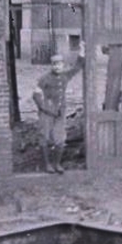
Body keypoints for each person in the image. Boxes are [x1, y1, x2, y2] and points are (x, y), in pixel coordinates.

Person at [32, 42, 85, 173]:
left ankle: (57, 164)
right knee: (44, 136)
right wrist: (44, 108)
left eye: (59, 64)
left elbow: (78, 66)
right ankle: (47, 164)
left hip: (60, 112)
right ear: (52, 65)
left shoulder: (65, 76)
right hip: (47, 112)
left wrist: (82, 50)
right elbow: (36, 95)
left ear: (63, 65)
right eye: (54, 64)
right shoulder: (44, 79)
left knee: (60, 138)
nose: (57, 67)